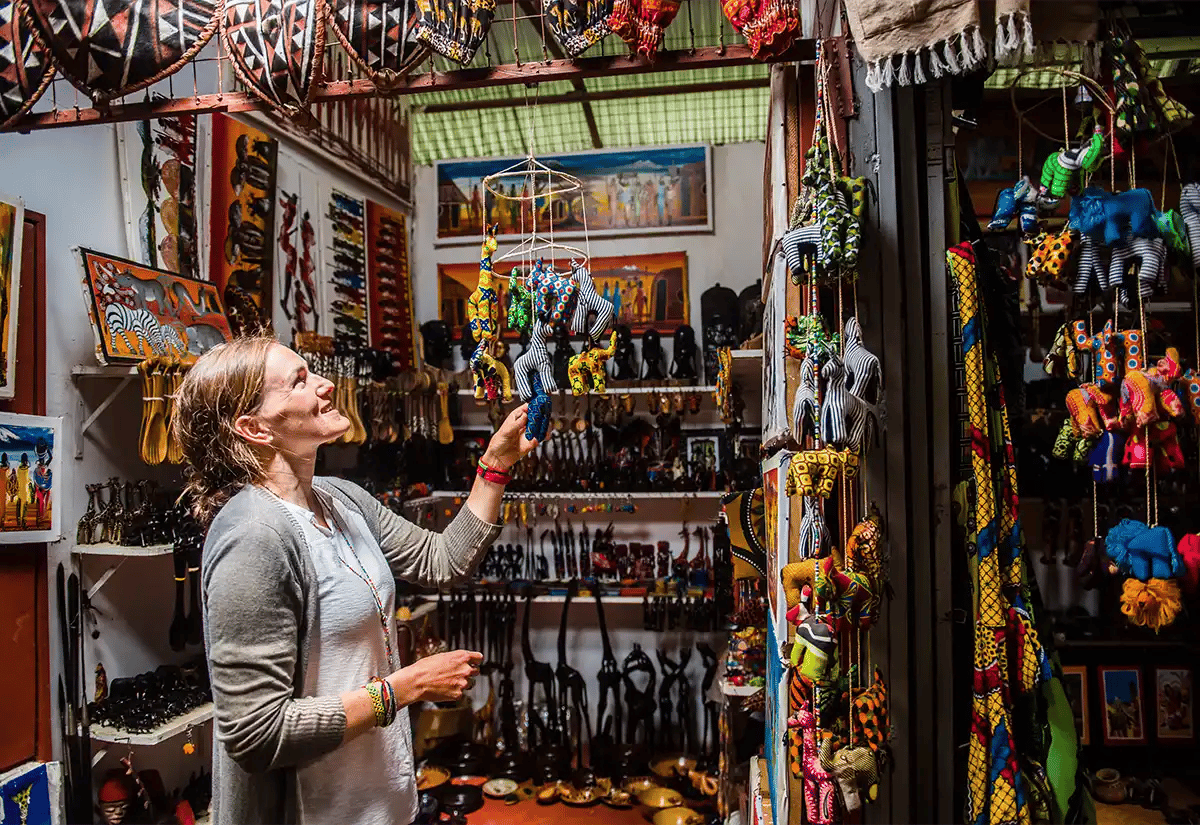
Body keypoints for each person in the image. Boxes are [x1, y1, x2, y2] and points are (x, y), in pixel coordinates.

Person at [173, 336, 536, 825]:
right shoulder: (254, 536)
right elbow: (255, 733)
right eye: (300, 381)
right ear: (254, 427)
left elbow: (440, 559)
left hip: (380, 801)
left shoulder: (339, 498)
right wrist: (403, 688)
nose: (326, 386)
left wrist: (495, 467)